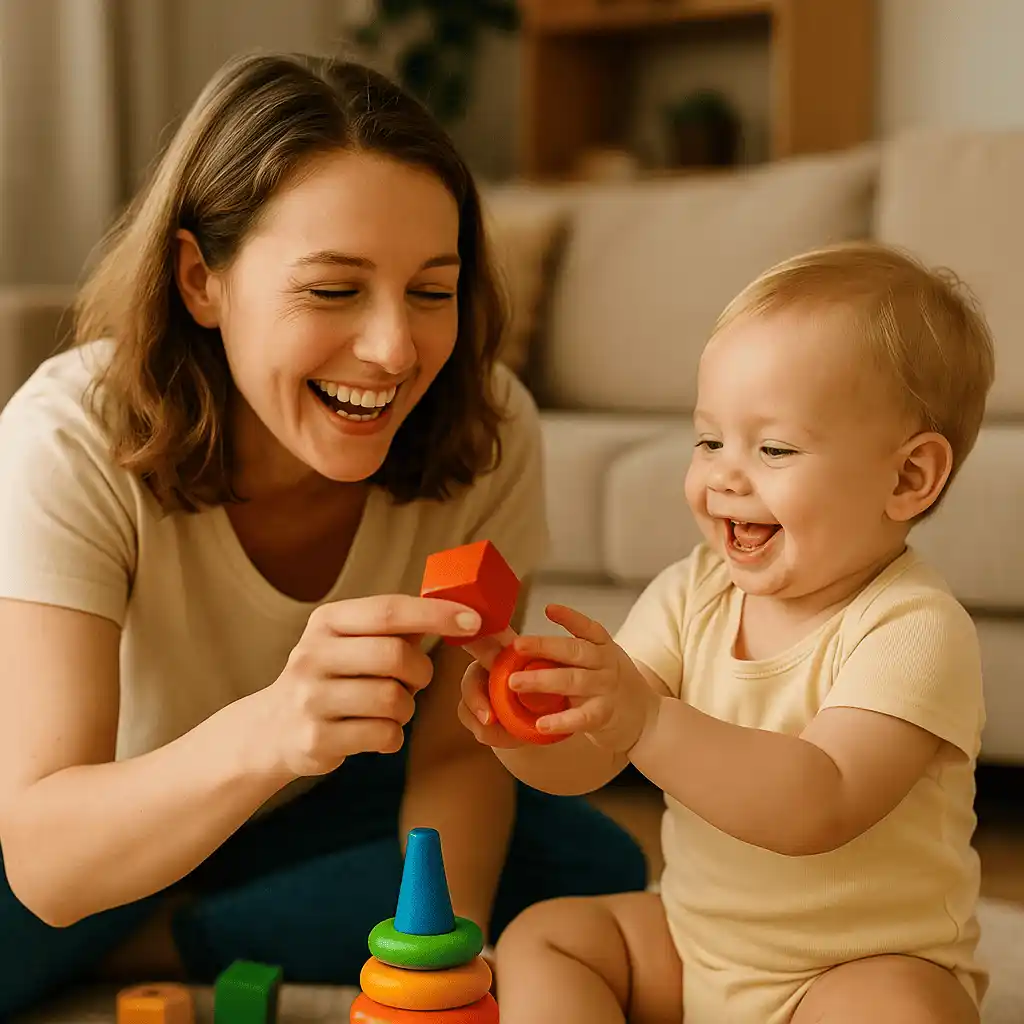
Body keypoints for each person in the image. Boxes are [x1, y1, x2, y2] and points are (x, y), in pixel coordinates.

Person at [0, 52, 646, 1017]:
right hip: (68, 817)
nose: (393, 350)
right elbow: (47, 861)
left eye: (432, 291)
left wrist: (434, 968)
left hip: (301, 805)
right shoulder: (69, 436)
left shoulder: (485, 426)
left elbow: (457, 751)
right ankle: (172, 921)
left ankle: (169, 933)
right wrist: (270, 730)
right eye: (334, 290)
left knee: (589, 866)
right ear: (199, 280)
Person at [460, 242, 996, 1024]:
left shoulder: (914, 628)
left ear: (908, 478)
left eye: (773, 448)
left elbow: (821, 801)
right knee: (545, 937)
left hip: (853, 969)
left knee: (906, 1009)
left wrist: (645, 719)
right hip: (694, 946)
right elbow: (590, 758)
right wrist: (525, 722)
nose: (723, 475)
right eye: (709, 440)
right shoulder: (693, 593)